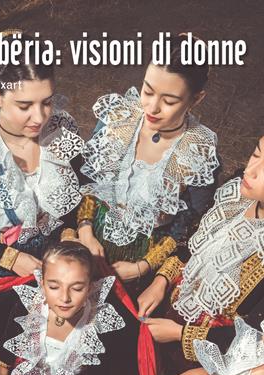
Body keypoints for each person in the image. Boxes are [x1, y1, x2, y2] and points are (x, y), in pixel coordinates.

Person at [0, 31, 85, 372]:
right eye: (24, 106)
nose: (39, 117)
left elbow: (79, 193)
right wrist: (10, 256)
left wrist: (71, 236)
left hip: (52, 262)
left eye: (47, 101)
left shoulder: (62, 134)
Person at [77, 34, 219, 295]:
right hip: (86, 248)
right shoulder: (118, 118)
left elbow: (188, 228)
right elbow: (88, 183)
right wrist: (85, 230)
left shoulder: (198, 153)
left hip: (139, 270)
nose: (152, 107)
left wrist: (144, 266)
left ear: (196, 99)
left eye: (169, 100)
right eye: (148, 91)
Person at [137, 136, 264, 375]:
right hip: (166, 311)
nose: (252, 170)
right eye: (256, 154)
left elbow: (253, 338)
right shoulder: (236, 192)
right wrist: (160, 281)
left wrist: (179, 333)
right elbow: (192, 243)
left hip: (205, 359)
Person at [0, 241, 133, 375]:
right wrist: (3, 371)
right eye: (54, 286)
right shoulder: (29, 308)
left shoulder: (96, 326)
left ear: (90, 287)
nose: (64, 298)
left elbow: (101, 370)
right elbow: (9, 339)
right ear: (42, 282)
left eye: (76, 288)